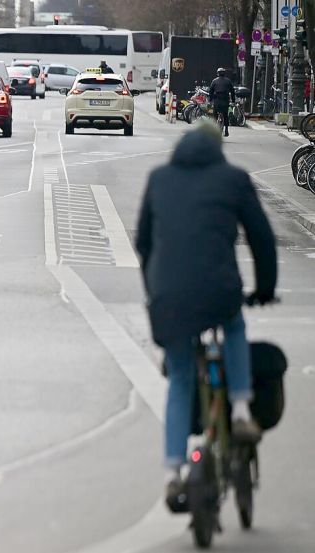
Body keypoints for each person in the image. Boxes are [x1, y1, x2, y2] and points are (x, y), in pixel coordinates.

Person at [135, 120, 277, 507]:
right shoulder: (234, 179)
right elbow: (261, 237)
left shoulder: (159, 178)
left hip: (168, 298)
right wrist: (265, 289)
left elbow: (143, 243)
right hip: (219, 292)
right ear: (218, 149)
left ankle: (172, 472)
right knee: (234, 326)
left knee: (181, 378)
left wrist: (154, 293)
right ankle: (242, 410)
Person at [208, 67, 235, 137]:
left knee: (215, 114)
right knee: (225, 115)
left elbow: (211, 91)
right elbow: (232, 91)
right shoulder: (228, 81)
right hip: (225, 100)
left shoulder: (214, 81)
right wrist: (233, 101)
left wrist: (210, 100)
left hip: (217, 101)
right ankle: (226, 130)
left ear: (218, 73)